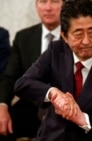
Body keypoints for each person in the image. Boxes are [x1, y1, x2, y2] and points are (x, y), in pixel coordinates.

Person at [14, 0, 92, 141]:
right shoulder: (56, 51)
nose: (86, 41)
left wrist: (82, 119)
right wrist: (53, 93)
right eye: (78, 34)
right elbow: (22, 84)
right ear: (64, 36)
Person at [0, 0, 64, 140]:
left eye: (54, 1)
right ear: (36, 6)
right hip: (31, 104)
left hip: (63, 106)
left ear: (64, 5)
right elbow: (10, 77)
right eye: (42, 1)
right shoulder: (23, 37)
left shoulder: (74, 35)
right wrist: (2, 106)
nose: (48, 8)